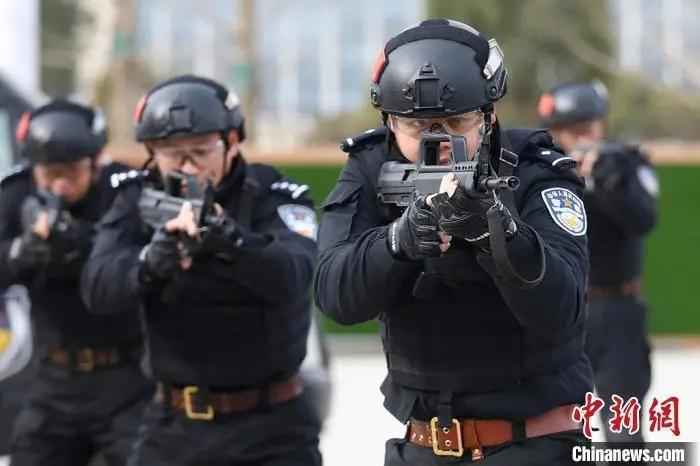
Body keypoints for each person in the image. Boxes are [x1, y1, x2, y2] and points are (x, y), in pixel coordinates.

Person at [314, 19, 594, 465]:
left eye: (455, 122)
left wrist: (495, 233)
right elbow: (334, 294)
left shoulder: (536, 170)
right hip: (422, 444)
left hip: (534, 442)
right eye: (417, 127)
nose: (438, 142)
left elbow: (562, 309)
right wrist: (397, 241)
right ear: (389, 121)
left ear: (489, 115)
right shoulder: (370, 168)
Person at [81, 75, 322, 466]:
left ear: (231, 143)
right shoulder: (135, 197)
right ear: (151, 152)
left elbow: (295, 274)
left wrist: (230, 242)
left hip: (271, 426)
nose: (188, 166)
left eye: (200, 151)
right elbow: (97, 287)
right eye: (172, 154)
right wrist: (150, 262)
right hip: (174, 421)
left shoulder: (274, 193)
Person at [0, 100, 153, 466]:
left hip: (126, 377)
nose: (60, 185)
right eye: (49, 174)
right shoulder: (16, 193)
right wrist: (20, 253)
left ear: (95, 162)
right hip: (54, 377)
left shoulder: (125, 191)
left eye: (71, 172)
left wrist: (84, 245)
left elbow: (147, 259)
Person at [538, 81, 658, 448]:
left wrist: (604, 179)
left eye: (586, 129)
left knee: (624, 433)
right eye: (570, 132)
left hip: (616, 308)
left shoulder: (624, 165)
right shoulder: (541, 172)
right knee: (553, 431)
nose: (580, 139)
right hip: (559, 311)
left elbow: (643, 219)